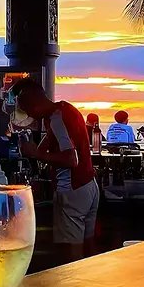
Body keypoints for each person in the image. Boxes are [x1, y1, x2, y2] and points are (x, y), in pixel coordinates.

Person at [12, 78, 99, 261]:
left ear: (33, 102)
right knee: (88, 246)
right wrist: (37, 149)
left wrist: (36, 154)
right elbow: (53, 142)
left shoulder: (58, 119)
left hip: (72, 189)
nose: (26, 114)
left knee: (71, 252)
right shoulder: (62, 111)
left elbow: (71, 159)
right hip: (89, 186)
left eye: (25, 108)